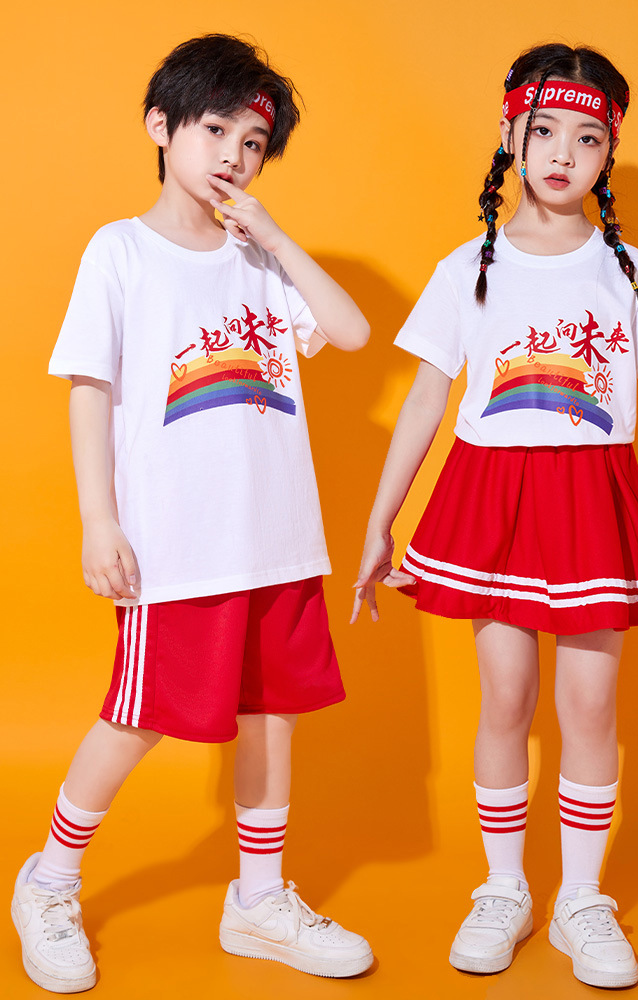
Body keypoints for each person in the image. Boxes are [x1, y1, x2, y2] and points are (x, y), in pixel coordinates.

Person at [352, 43, 638, 989]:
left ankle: (582, 900)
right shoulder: (465, 269)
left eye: (588, 139)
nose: (563, 153)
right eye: (545, 129)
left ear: (609, 152)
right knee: (507, 696)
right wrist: (380, 519)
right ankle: (505, 887)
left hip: (594, 498)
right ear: (510, 133)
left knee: (592, 704)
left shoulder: (628, 271)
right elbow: (428, 399)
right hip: (494, 497)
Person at [12, 33, 374, 993]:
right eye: (216, 130)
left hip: (278, 540)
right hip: (178, 544)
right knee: (139, 717)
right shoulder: (119, 251)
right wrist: (99, 521)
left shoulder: (261, 260)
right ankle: (49, 882)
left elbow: (351, 331)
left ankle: (259, 899)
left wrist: (278, 240)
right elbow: (89, 389)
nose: (233, 156)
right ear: (160, 126)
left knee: (273, 717)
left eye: (253, 144)